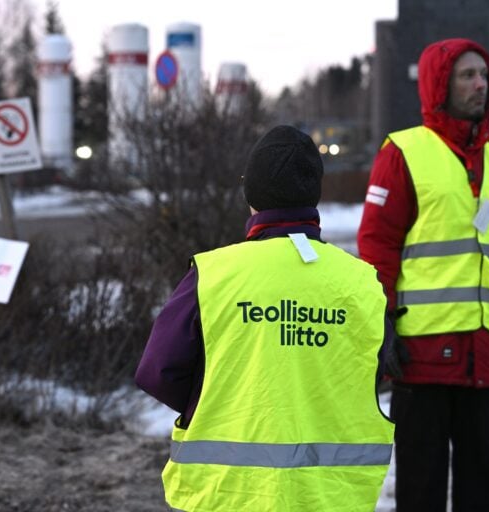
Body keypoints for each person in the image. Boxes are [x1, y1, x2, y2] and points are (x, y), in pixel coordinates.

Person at [135, 125, 395, 512]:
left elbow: (157, 371)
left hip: (225, 494)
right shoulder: (362, 283)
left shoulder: (213, 275)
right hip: (331, 496)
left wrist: (216, 403)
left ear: (250, 195)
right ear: (314, 192)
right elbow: (377, 374)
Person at [357, 38, 489, 512]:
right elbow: (376, 245)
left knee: (481, 484)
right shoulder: (404, 152)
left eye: (483, 75)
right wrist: (379, 322)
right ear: (439, 84)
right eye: (467, 75)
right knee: (421, 488)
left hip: (488, 354)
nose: (480, 84)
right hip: (421, 354)